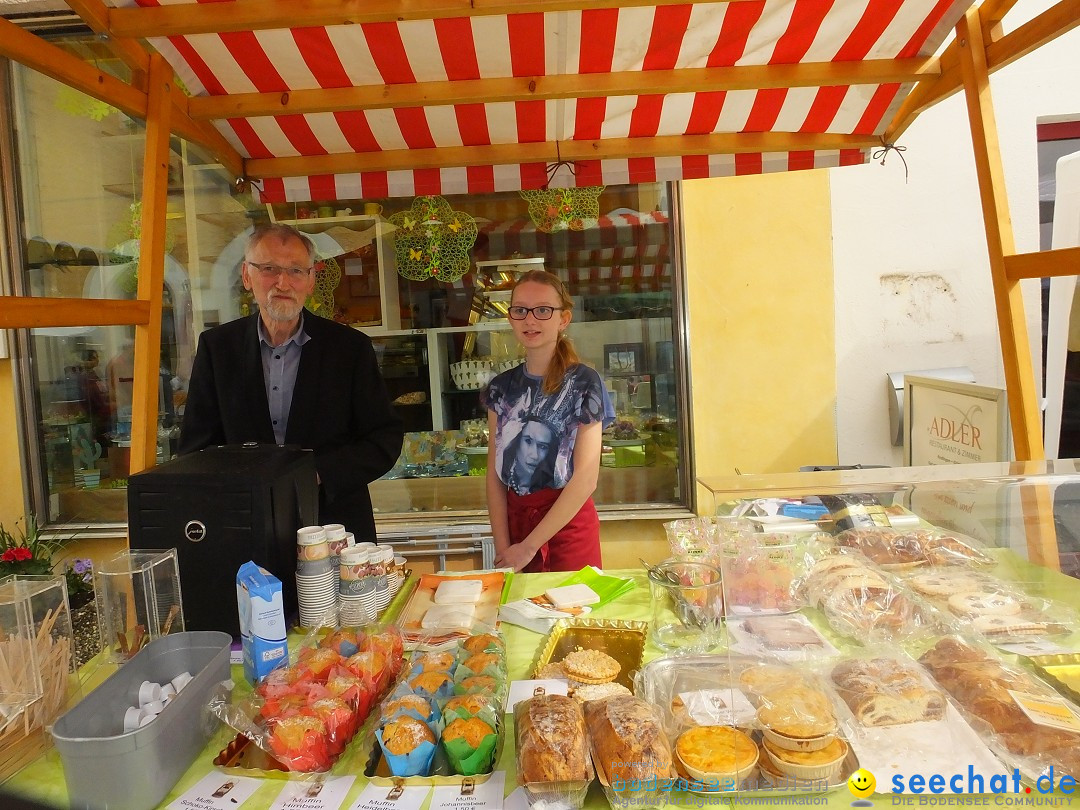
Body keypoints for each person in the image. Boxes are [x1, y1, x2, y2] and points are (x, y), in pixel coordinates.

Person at [179, 223, 403, 542]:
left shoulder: (350, 348)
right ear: (246, 275)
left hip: (336, 528)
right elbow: (195, 449)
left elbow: (384, 437)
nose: (283, 282)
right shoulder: (218, 349)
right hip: (244, 528)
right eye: (269, 268)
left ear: (311, 280)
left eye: (296, 270)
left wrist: (317, 473)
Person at [482, 269, 614, 572]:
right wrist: (505, 548)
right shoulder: (500, 389)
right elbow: (495, 475)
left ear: (563, 319)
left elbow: (585, 479)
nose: (530, 319)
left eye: (543, 310)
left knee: (572, 617)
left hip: (568, 530)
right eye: (520, 310)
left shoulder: (585, 383)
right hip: (516, 529)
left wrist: (528, 548)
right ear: (511, 317)